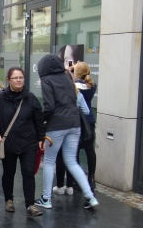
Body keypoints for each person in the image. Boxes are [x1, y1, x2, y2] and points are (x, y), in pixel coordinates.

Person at [35, 54, 99, 209]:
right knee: (72, 161)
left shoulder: (46, 81)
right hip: (74, 123)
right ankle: (90, 197)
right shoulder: (68, 77)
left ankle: (46, 198)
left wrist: (41, 121)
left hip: (56, 124)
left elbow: (49, 106)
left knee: (50, 161)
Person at [0, 67, 45, 217]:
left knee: (28, 173)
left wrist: (41, 138)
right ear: (8, 80)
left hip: (29, 142)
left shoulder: (31, 98)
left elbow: (38, 120)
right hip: (8, 143)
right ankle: (9, 200)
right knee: (9, 173)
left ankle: (30, 204)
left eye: (21, 77)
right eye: (15, 78)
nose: (19, 80)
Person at [53, 85, 90, 195]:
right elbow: (86, 111)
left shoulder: (57, 94)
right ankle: (70, 186)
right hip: (74, 128)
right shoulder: (78, 94)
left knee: (60, 157)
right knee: (72, 158)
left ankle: (60, 186)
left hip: (60, 128)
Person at [74, 62, 98, 189]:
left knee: (75, 150)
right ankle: (91, 178)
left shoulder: (75, 87)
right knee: (90, 150)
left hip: (78, 120)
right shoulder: (92, 85)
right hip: (89, 120)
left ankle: (78, 180)